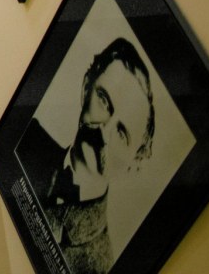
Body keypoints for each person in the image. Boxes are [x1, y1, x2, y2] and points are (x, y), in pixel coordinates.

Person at [17, 38, 156, 274]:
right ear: (85, 88)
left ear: (134, 165)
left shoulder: (100, 265)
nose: (104, 131)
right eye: (104, 100)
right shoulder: (25, 139)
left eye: (122, 134)